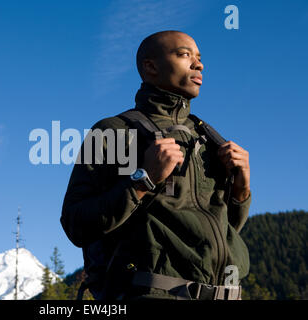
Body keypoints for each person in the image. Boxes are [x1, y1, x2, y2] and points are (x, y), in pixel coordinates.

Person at [60, 30, 251, 300]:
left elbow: (225, 230)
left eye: (199, 57)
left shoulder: (208, 138)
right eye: (185, 55)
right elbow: (76, 223)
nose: (199, 65)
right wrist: (144, 178)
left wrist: (242, 189)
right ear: (150, 67)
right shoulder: (112, 132)